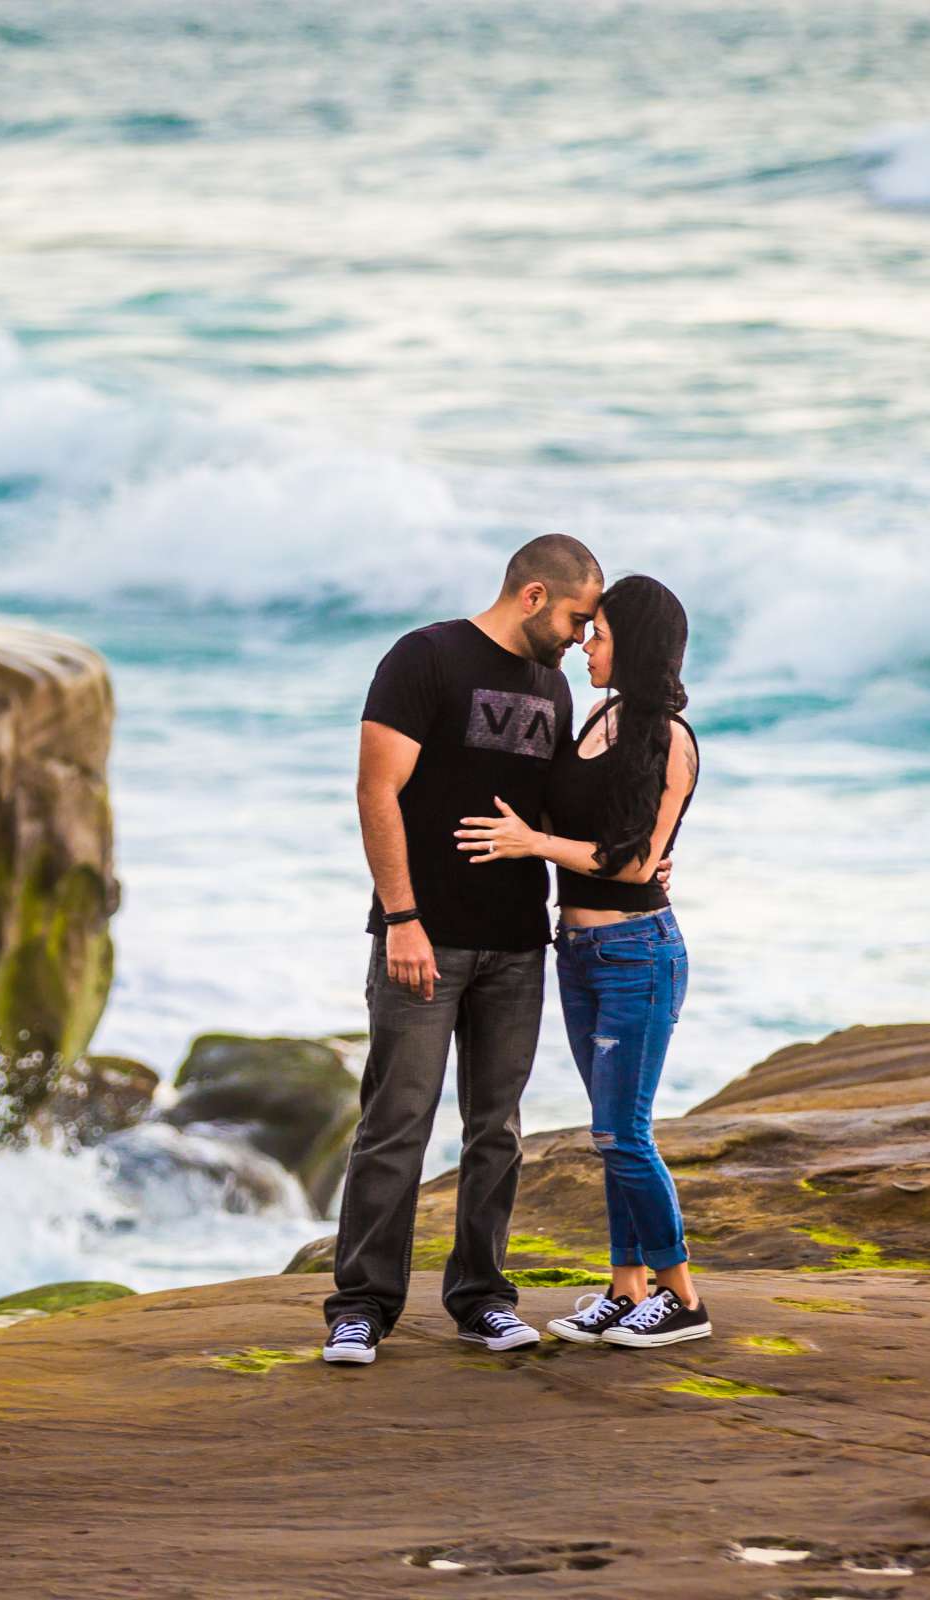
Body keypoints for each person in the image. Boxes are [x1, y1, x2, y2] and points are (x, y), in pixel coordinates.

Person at [320, 535, 603, 1365]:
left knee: (497, 1131)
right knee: (395, 1121)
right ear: (534, 595)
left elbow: (555, 815)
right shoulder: (425, 658)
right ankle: (362, 1305)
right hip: (425, 940)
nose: (584, 638)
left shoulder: (553, 687)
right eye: (578, 617)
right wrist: (401, 917)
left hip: (517, 944)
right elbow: (378, 790)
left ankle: (481, 1298)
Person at [454, 575, 706, 1348]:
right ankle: (626, 1288)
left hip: (638, 952)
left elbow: (633, 865)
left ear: (634, 641)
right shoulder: (599, 716)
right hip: (580, 951)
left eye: (597, 633)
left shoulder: (669, 736)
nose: (584, 644)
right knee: (608, 1134)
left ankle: (682, 1298)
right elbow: (594, 821)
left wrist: (534, 846)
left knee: (622, 1132)